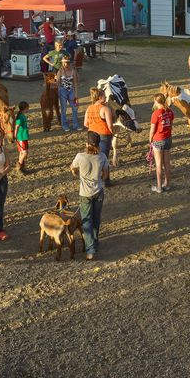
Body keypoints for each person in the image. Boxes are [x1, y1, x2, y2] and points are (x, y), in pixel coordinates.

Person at [70, 132, 108, 260]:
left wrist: (77, 175)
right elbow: (105, 175)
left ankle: (90, 250)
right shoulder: (102, 156)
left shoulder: (80, 156)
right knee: (96, 218)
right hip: (98, 191)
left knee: (87, 220)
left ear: (86, 144)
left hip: (85, 193)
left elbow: (73, 169)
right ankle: (95, 243)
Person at [84, 88, 114, 187]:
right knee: (104, 158)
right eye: (105, 95)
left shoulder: (89, 108)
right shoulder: (105, 109)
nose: (106, 97)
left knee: (93, 157)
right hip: (104, 135)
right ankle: (106, 180)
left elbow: (85, 124)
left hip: (92, 135)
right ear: (100, 97)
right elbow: (110, 125)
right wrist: (113, 133)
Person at [149, 94, 174, 193]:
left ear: (156, 101)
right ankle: (167, 184)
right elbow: (171, 126)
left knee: (158, 165)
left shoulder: (155, 114)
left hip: (158, 140)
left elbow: (152, 130)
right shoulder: (170, 112)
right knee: (167, 163)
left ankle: (159, 187)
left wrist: (150, 139)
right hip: (168, 139)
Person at [56, 55, 80, 132]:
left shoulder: (73, 71)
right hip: (62, 90)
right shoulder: (60, 71)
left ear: (69, 63)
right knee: (64, 108)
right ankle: (64, 125)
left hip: (71, 90)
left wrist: (76, 94)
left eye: (66, 63)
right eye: (64, 63)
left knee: (75, 107)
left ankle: (76, 124)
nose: (65, 64)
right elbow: (58, 83)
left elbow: (75, 83)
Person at [13, 101, 30, 174]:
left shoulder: (22, 115)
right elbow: (16, 127)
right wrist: (15, 136)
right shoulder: (20, 117)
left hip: (24, 137)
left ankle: (22, 167)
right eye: (27, 108)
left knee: (21, 152)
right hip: (21, 137)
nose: (28, 109)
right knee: (25, 153)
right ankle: (19, 166)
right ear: (25, 108)